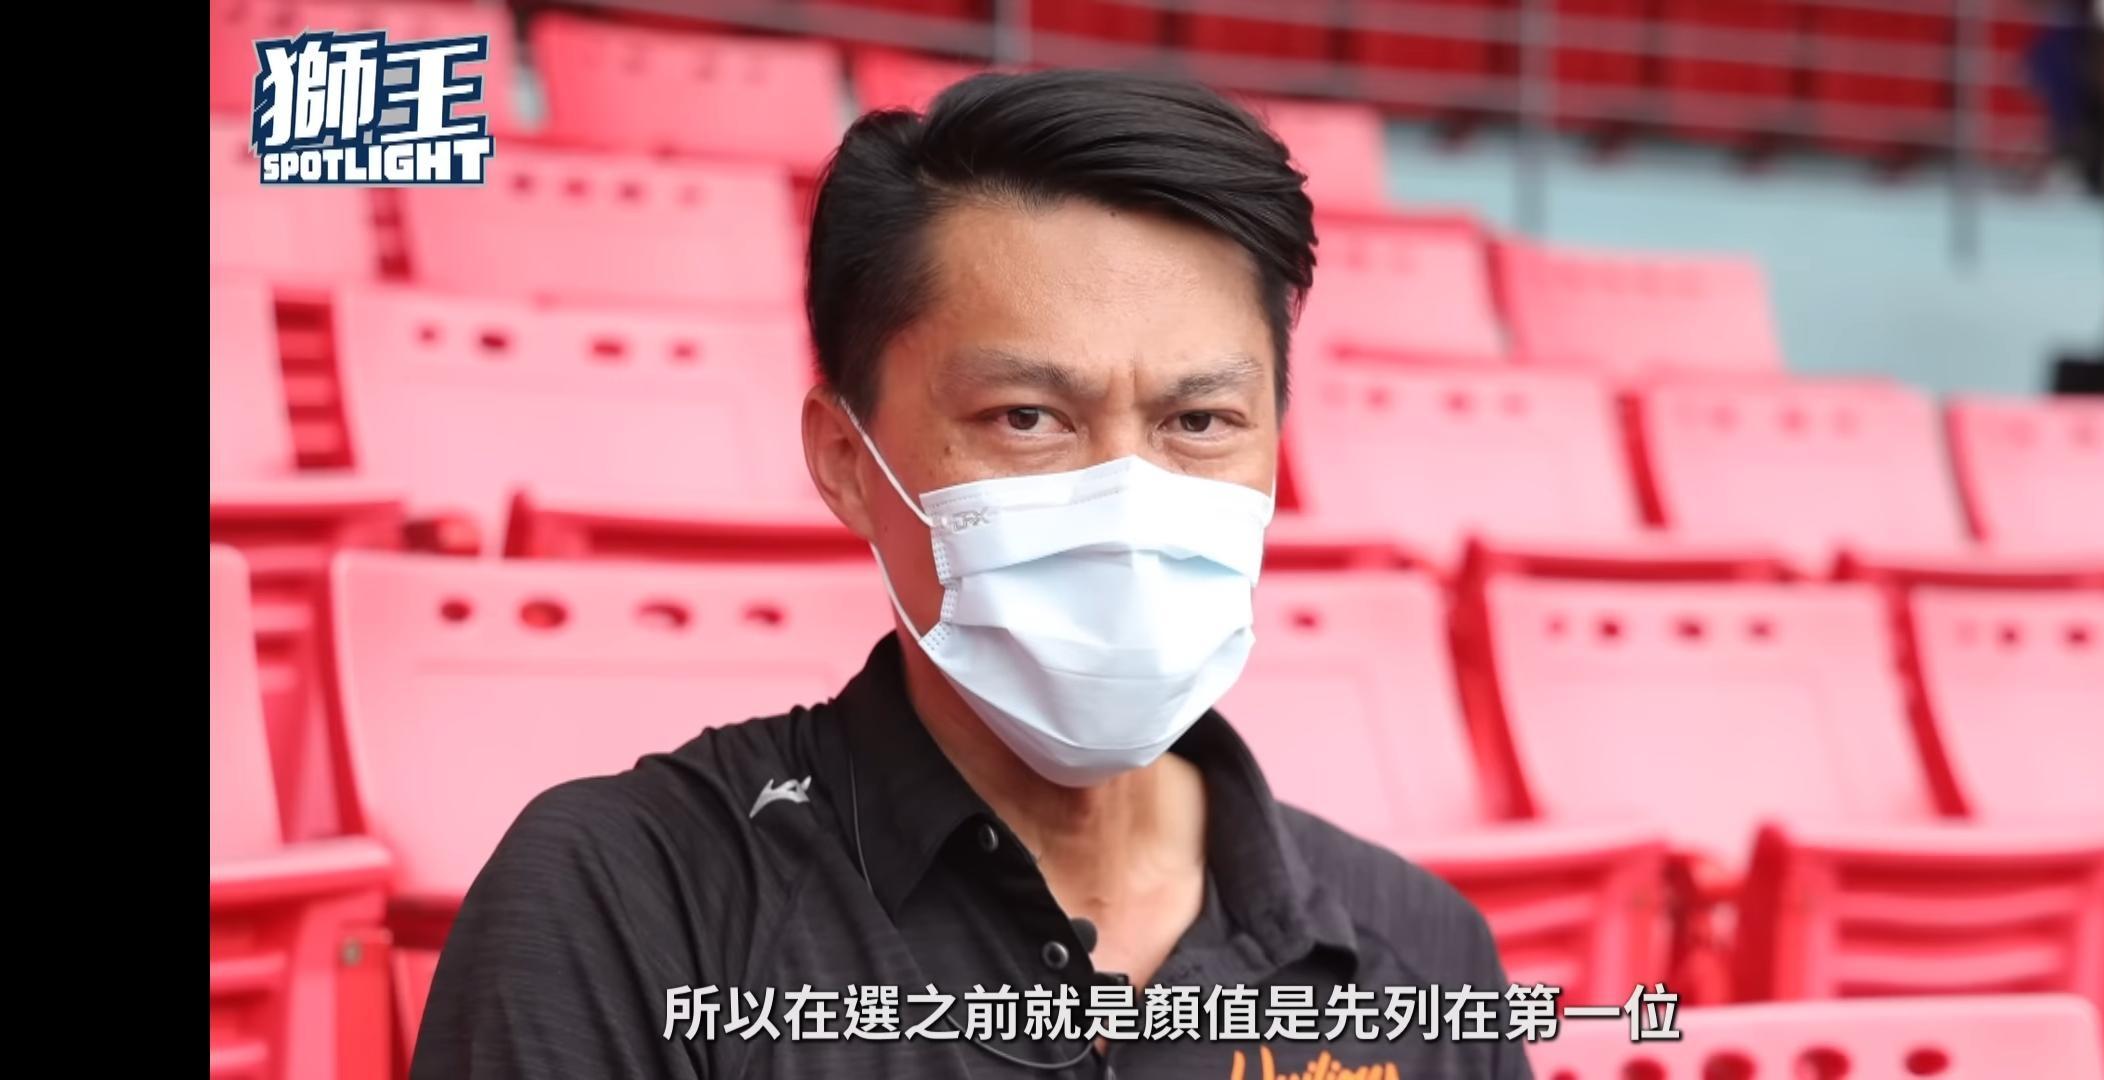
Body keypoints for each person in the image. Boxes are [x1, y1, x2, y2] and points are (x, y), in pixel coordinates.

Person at [411, 70, 1533, 1079]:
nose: (1128, 498)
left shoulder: (1421, 952)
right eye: (1028, 417)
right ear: (847, 460)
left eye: (1199, 421)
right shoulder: (632, 904)